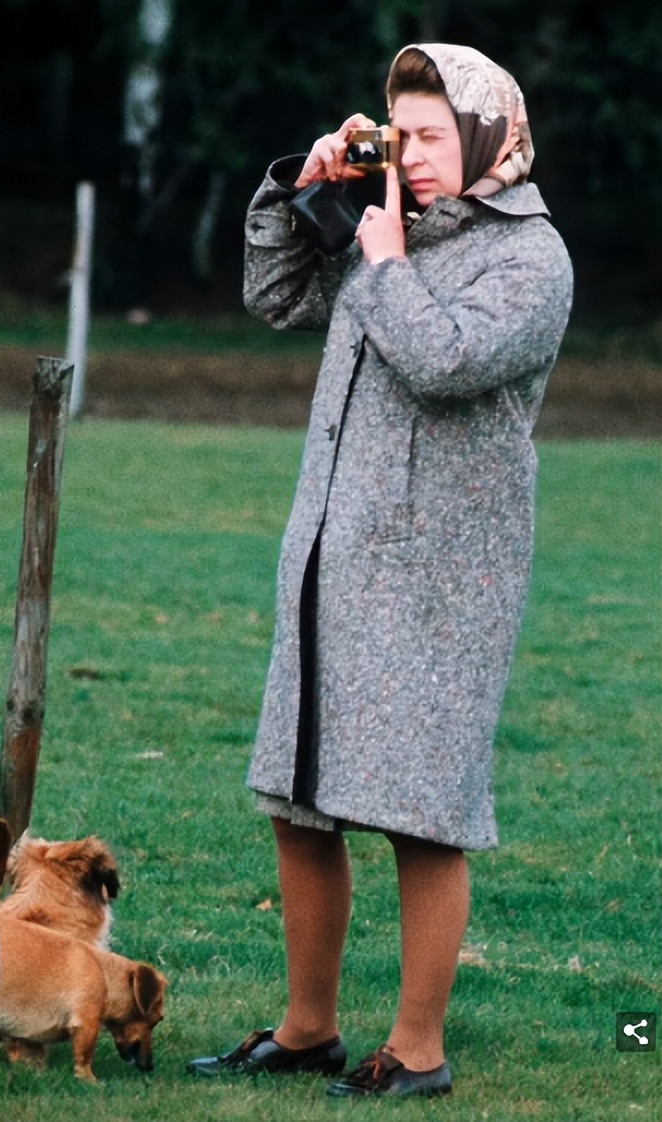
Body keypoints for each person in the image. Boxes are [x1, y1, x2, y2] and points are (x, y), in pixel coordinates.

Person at [186, 44, 572, 1099]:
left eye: (436, 138)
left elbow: (443, 363)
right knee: (300, 798)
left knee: (420, 811)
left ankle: (417, 1052)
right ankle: (306, 1027)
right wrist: (303, 192)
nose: (417, 157)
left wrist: (388, 254)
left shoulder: (529, 260)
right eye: (403, 137)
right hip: (331, 553)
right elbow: (272, 297)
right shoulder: (382, 223)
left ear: (493, 136)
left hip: (444, 578)